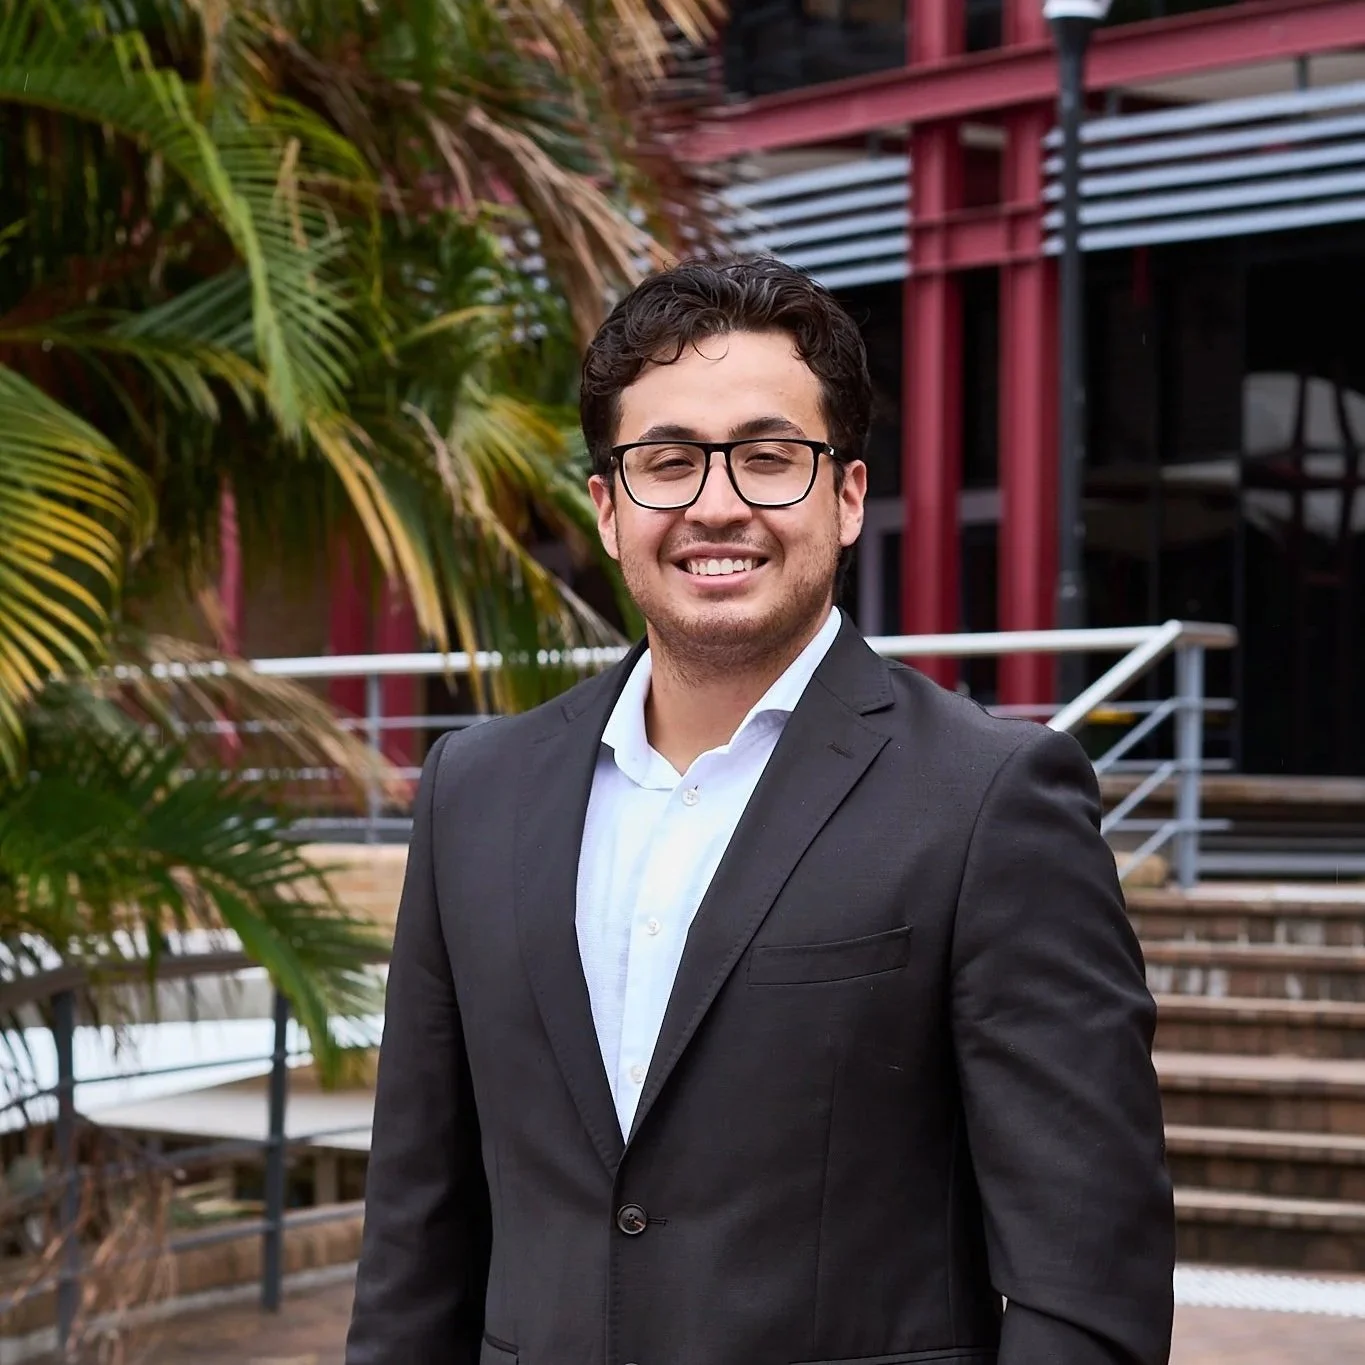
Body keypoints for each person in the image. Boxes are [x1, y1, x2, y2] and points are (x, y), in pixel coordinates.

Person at [345, 257, 1175, 1365]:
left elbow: (1088, 1283)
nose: (716, 504)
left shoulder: (988, 799)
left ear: (846, 496)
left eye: (769, 458)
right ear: (607, 506)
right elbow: (416, 1234)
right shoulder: (475, 794)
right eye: (668, 461)